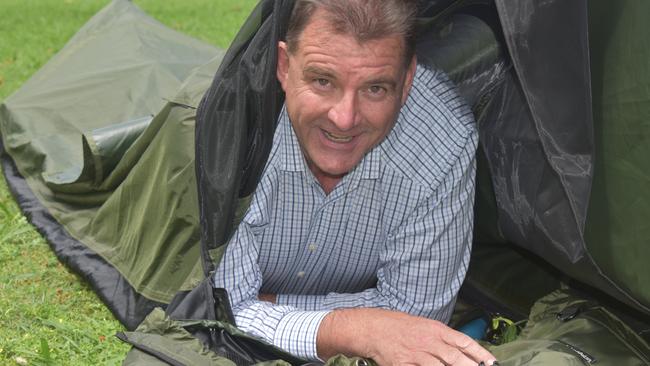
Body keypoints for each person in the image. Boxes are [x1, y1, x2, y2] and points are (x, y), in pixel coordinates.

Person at [214, 0, 497, 365]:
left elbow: (414, 319)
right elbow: (218, 309)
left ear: (407, 79)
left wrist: (268, 305)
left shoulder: (444, 141)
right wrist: (356, 328)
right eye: (322, 81)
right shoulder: (234, 129)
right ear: (284, 66)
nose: (344, 119)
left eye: (375, 89)